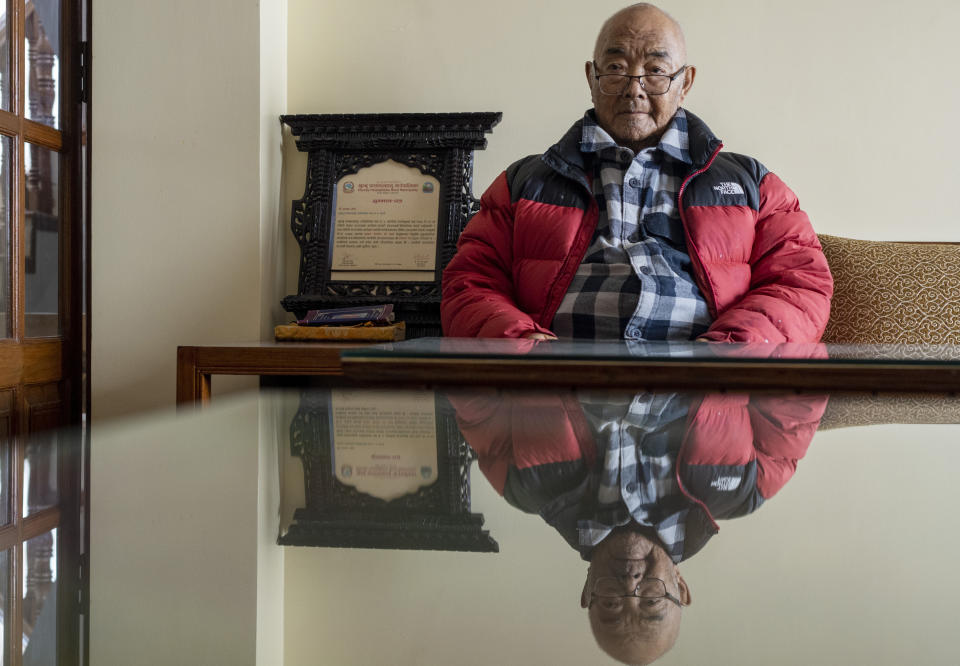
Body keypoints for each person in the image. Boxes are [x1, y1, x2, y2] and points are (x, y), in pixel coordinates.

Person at [441, 3, 833, 343]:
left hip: (705, 395)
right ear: (591, 79)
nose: (635, 88)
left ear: (685, 82)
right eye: (615, 68)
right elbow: (469, 282)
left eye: (656, 70)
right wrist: (522, 344)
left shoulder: (752, 184)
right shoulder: (522, 183)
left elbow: (799, 283)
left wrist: (729, 350)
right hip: (556, 395)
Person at [449, 388, 827, 664]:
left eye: (612, 603)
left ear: (587, 592)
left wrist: (524, 347)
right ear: (680, 586)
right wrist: (728, 344)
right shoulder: (745, 488)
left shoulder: (525, 487)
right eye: (650, 600)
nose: (631, 584)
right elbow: (801, 371)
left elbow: (468, 379)